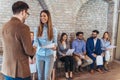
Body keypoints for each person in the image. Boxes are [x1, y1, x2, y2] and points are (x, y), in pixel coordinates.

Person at [1, 1, 36, 80]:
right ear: (23, 12)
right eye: (27, 14)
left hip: (6, 69)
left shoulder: (4, 26)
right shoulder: (23, 27)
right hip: (20, 71)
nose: (26, 16)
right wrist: (35, 48)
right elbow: (29, 51)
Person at [33, 10, 57, 80]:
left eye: (44, 16)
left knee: (47, 77)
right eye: (41, 16)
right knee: (40, 76)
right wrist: (34, 46)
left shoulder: (53, 29)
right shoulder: (37, 29)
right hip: (39, 55)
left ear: (48, 17)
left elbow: (55, 42)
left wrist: (54, 46)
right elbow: (35, 41)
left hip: (49, 55)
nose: (42, 17)